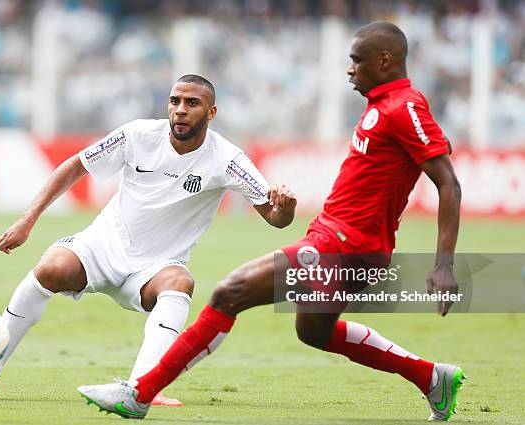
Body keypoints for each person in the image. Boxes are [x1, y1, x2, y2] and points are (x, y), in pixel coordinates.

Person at [78, 22, 465, 421]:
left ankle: (139, 394)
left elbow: (448, 182)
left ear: (384, 61)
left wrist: (444, 265)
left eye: (356, 60)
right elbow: (433, 146)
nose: (349, 69)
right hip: (338, 239)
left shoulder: (403, 106)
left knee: (231, 292)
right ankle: (433, 378)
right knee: (313, 332)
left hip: (345, 246)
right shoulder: (386, 105)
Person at [0, 74, 297, 406]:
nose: (180, 110)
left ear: (211, 111)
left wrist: (286, 208)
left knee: (180, 283)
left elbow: (274, 216)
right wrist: (27, 221)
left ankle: (143, 388)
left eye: (192, 103)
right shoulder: (138, 134)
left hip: (155, 268)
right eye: (175, 101)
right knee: (50, 267)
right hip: (102, 247)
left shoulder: (227, 159)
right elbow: (76, 165)